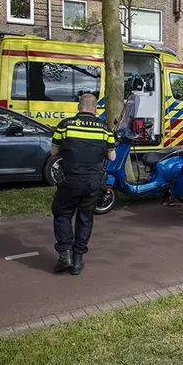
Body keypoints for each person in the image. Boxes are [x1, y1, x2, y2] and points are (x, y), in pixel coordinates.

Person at [51, 94, 116, 276]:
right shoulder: (105, 128)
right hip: (93, 181)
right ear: (96, 109)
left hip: (70, 180)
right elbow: (112, 157)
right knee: (85, 218)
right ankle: (77, 260)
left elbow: (53, 152)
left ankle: (65, 254)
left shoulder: (65, 125)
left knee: (63, 214)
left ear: (79, 107)